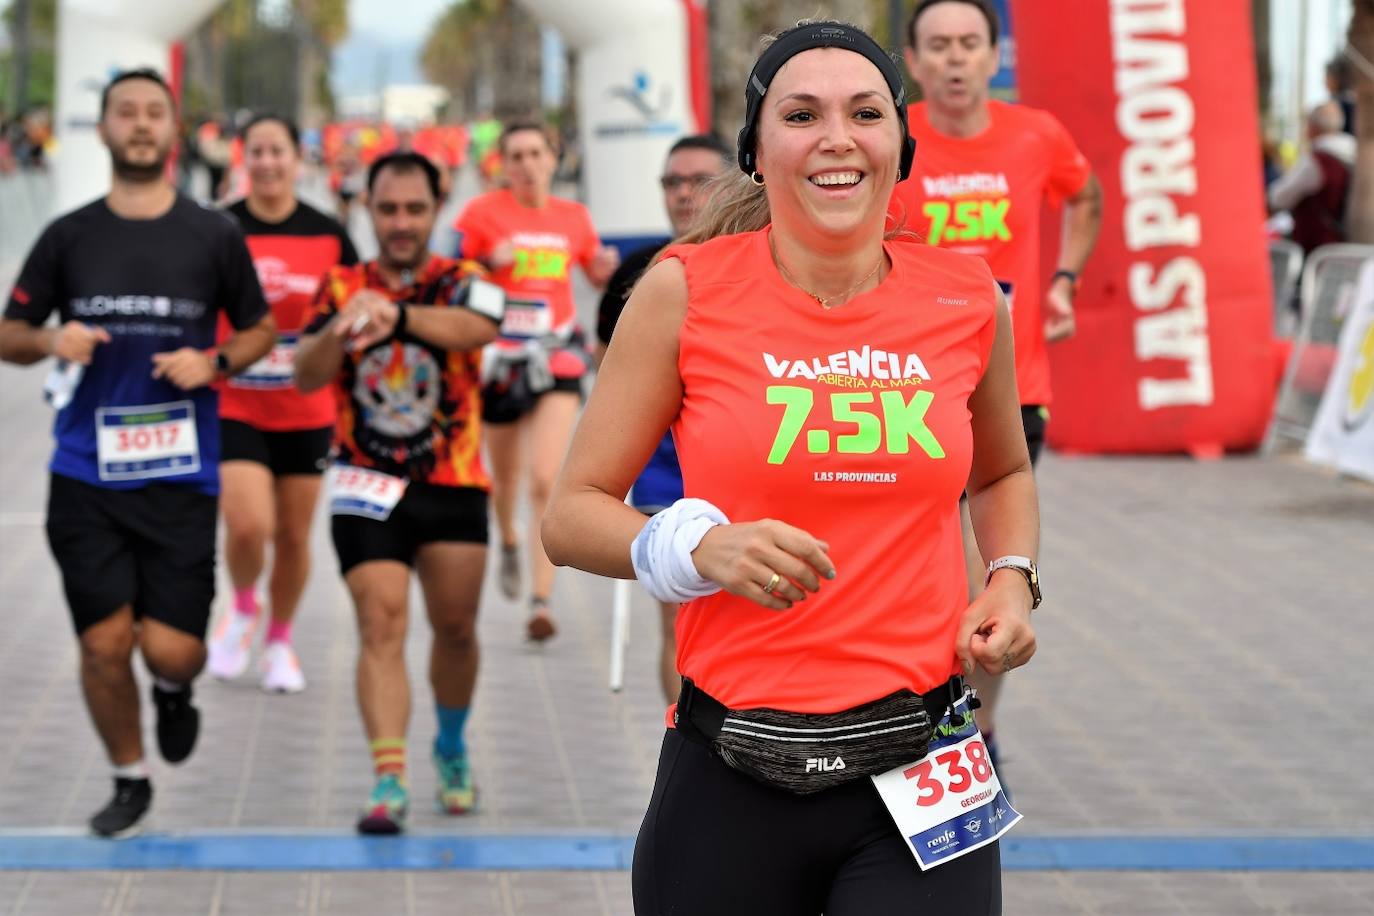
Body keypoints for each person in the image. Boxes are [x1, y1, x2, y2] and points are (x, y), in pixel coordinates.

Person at [544, 21, 1039, 913]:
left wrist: (1010, 579)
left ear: (901, 143)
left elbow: (1002, 473)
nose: (837, 137)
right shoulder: (684, 289)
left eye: (866, 113)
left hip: (923, 759)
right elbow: (572, 514)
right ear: (758, 149)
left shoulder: (967, 296)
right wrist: (700, 546)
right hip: (732, 759)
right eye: (802, 114)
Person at [0, 69, 275, 838]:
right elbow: (8, 334)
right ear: (105, 129)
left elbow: (258, 329)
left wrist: (216, 363)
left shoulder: (213, 233)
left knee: (174, 651)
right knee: (102, 642)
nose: (142, 124)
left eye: (155, 112)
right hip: (84, 473)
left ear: (173, 130)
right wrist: (52, 337)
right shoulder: (70, 235)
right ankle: (129, 776)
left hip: (182, 477)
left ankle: (176, 690)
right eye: (127, 112)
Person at [892, 0, 1100, 763]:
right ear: (913, 61)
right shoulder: (895, 137)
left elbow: (1086, 194)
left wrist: (1064, 281)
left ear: (992, 56)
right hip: (904, 389)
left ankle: (976, 736)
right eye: (938, 46)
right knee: (911, 571)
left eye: (969, 44)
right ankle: (900, 724)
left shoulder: (1036, 135)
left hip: (1010, 392)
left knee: (988, 575)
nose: (954, 59)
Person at [294, 151, 504, 834]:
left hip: (453, 481)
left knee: (456, 628)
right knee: (380, 621)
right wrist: (340, 324)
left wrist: (398, 317)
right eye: (388, 209)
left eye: (415, 209)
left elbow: (480, 328)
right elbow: (304, 374)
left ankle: (450, 745)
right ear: (366, 210)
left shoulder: (462, 278)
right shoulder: (340, 283)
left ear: (436, 209)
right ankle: (388, 778)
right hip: (365, 482)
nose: (402, 222)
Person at [205, 114, 360, 693]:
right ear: (244, 158)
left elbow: (352, 311)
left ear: (299, 159)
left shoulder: (328, 233)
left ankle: (279, 640)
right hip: (235, 404)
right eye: (258, 151)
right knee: (248, 527)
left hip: (307, 411)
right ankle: (244, 607)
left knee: (294, 538)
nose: (268, 162)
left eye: (280, 150)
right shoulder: (219, 229)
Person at [453, 121, 619, 642]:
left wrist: (607, 269)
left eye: (535, 153)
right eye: (516, 155)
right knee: (503, 479)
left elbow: (595, 273)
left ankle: (541, 599)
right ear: (502, 163)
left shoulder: (573, 216)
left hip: (557, 355)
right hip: (501, 356)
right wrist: (482, 262)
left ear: (553, 158)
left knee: (546, 477)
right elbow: (447, 269)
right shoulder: (481, 213)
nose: (527, 164)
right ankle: (506, 537)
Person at [595, 133, 731, 701]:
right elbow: (608, 362)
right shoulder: (639, 270)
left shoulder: (765, 260)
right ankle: (687, 744)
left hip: (738, 456)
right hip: (662, 468)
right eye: (672, 182)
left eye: (699, 181)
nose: (683, 194)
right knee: (682, 617)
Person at [1268, 101, 1356, 255]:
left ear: (1313, 127)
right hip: (1350, 246)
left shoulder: (1318, 160)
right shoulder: (1354, 153)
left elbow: (1279, 197)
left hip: (1319, 249)